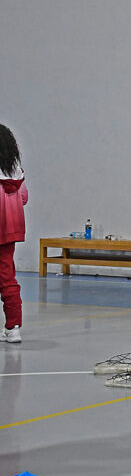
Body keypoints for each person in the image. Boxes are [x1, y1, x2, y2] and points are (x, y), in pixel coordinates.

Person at [0, 124, 27, 345]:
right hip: (9, 232)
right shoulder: (15, 171)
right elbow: (24, 198)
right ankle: (13, 327)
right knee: (7, 279)